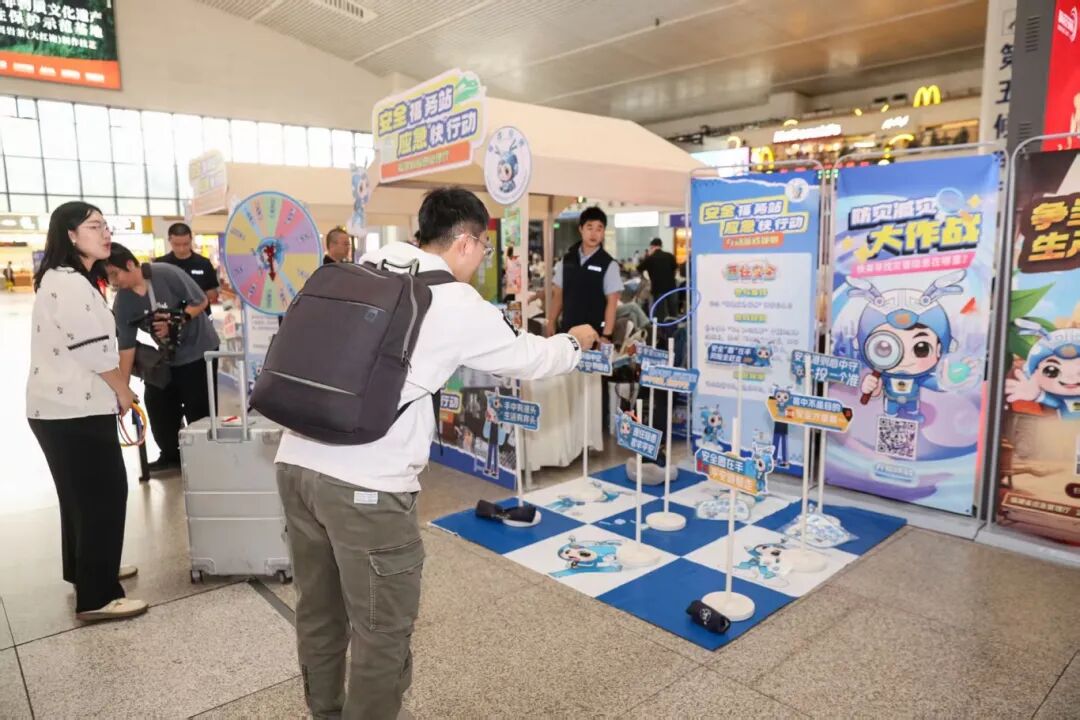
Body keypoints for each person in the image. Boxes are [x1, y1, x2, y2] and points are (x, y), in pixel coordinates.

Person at [274, 187, 598, 719]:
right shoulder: (453, 300)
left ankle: (324, 711)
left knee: (319, 613)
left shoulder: (362, 267)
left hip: (295, 463)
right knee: (382, 632)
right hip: (367, 486)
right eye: (483, 249)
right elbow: (530, 357)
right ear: (466, 241)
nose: (481, 260)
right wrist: (576, 342)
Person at [26, 201, 147, 622]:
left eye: (105, 225)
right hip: (73, 411)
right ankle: (97, 595)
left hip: (61, 409)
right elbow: (93, 351)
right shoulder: (70, 283)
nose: (105, 232)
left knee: (80, 497)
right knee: (104, 495)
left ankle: (88, 570)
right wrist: (124, 391)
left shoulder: (67, 278)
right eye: (95, 226)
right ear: (71, 234)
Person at [105, 243, 220, 474]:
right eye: (109, 277)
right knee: (158, 404)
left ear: (130, 264)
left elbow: (201, 301)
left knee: (198, 407)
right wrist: (123, 389)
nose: (113, 282)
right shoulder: (124, 301)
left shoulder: (166, 274)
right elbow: (126, 347)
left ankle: (204, 457)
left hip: (198, 350)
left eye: (115, 274)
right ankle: (171, 455)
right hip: (166, 357)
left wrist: (177, 321)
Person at [546, 206, 622, 342]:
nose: (594, 234)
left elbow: (612, 303)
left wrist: (606, 335)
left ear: (603, 232)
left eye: (599, 229)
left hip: (594, 335)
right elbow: (558, 295)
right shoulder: (566, 261)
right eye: (589, 227)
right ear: (581, 229)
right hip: (567, 332)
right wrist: (551, 321)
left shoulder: (609, 264)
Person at [155, 222, 219, 315]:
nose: (181, 249)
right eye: (177, 244)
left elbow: (212, 293)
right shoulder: (160, 264)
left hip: (200, 315)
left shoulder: (204, 263)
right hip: (170, 316)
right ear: (169, 240)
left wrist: (199, 297)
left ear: (191, 240)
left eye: (186, 244)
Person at [639, 238, 678, 319]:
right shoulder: (670, 256)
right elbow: (675, 269)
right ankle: (674, 325)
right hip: (671, 286)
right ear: (661, 246)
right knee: (673, 311)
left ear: (652, 247)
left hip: (658, 288)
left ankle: (660, 326)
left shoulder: (650, 258)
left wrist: (647, 256)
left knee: (660, 312)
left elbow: (639, 268)